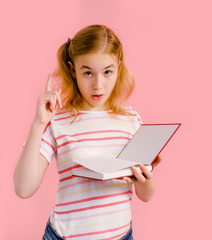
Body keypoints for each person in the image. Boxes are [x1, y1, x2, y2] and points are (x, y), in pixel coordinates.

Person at [13, 24, 162, 240]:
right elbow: (23, 189)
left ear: (119, 67)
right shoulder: (57, 120)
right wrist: (38, 124)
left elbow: (145, 196)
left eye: (107, 72)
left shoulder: (131, 120)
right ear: (74, 70)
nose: (98, 85)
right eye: (88, 72)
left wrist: (145, 180)